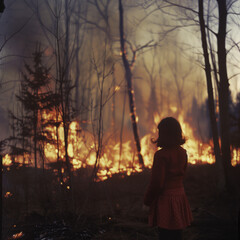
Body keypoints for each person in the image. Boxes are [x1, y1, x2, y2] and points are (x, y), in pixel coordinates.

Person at [144, 117, 193, 240]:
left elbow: (157, 183)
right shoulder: (183, 152)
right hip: (179, 197)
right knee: (177, 234)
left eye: (160, 132)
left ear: (165, 134)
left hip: (166, 201)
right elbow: (183, 174)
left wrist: (147, 201)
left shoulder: (161, 155)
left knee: (165, 234)